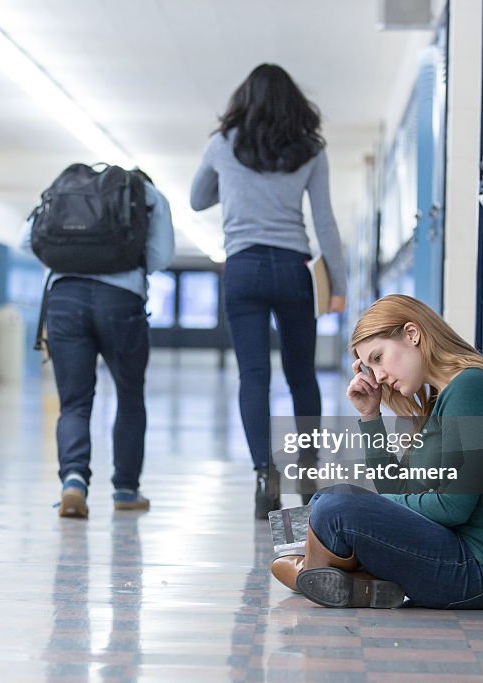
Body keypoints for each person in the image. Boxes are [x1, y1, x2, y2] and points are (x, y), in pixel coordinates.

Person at [270, 294, 483, 609]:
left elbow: (452, 508)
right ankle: (344, 576)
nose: (378, 376)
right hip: (458, 557)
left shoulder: (474, 388)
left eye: (378, 357)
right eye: (369, 367)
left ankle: (315, 568)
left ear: (412, 334)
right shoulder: (442, 400)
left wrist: (362, 503)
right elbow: (401, 490)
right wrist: (370, 416)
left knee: (335, 505)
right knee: (324, 502)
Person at [190, 64, 348, 519]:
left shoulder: (222, 144)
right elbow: (324, 222)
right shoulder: (310, 149)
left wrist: (239, 184)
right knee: (302, 375)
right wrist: (338, 285)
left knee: (253, 376)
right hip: (294, 269)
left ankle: (265, 474)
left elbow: (198, 199)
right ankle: (309, 471)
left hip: (243, 268)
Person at [21, 168, 174, 518]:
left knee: (74, 402)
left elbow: (26, 239)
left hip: (64, 297)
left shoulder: (65, 187)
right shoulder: (148, 193)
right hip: (121, 301)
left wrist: (72, 258)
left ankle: (73, 482)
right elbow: (162, 256)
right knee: (129, 395)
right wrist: (125, 265)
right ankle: (125, 489)